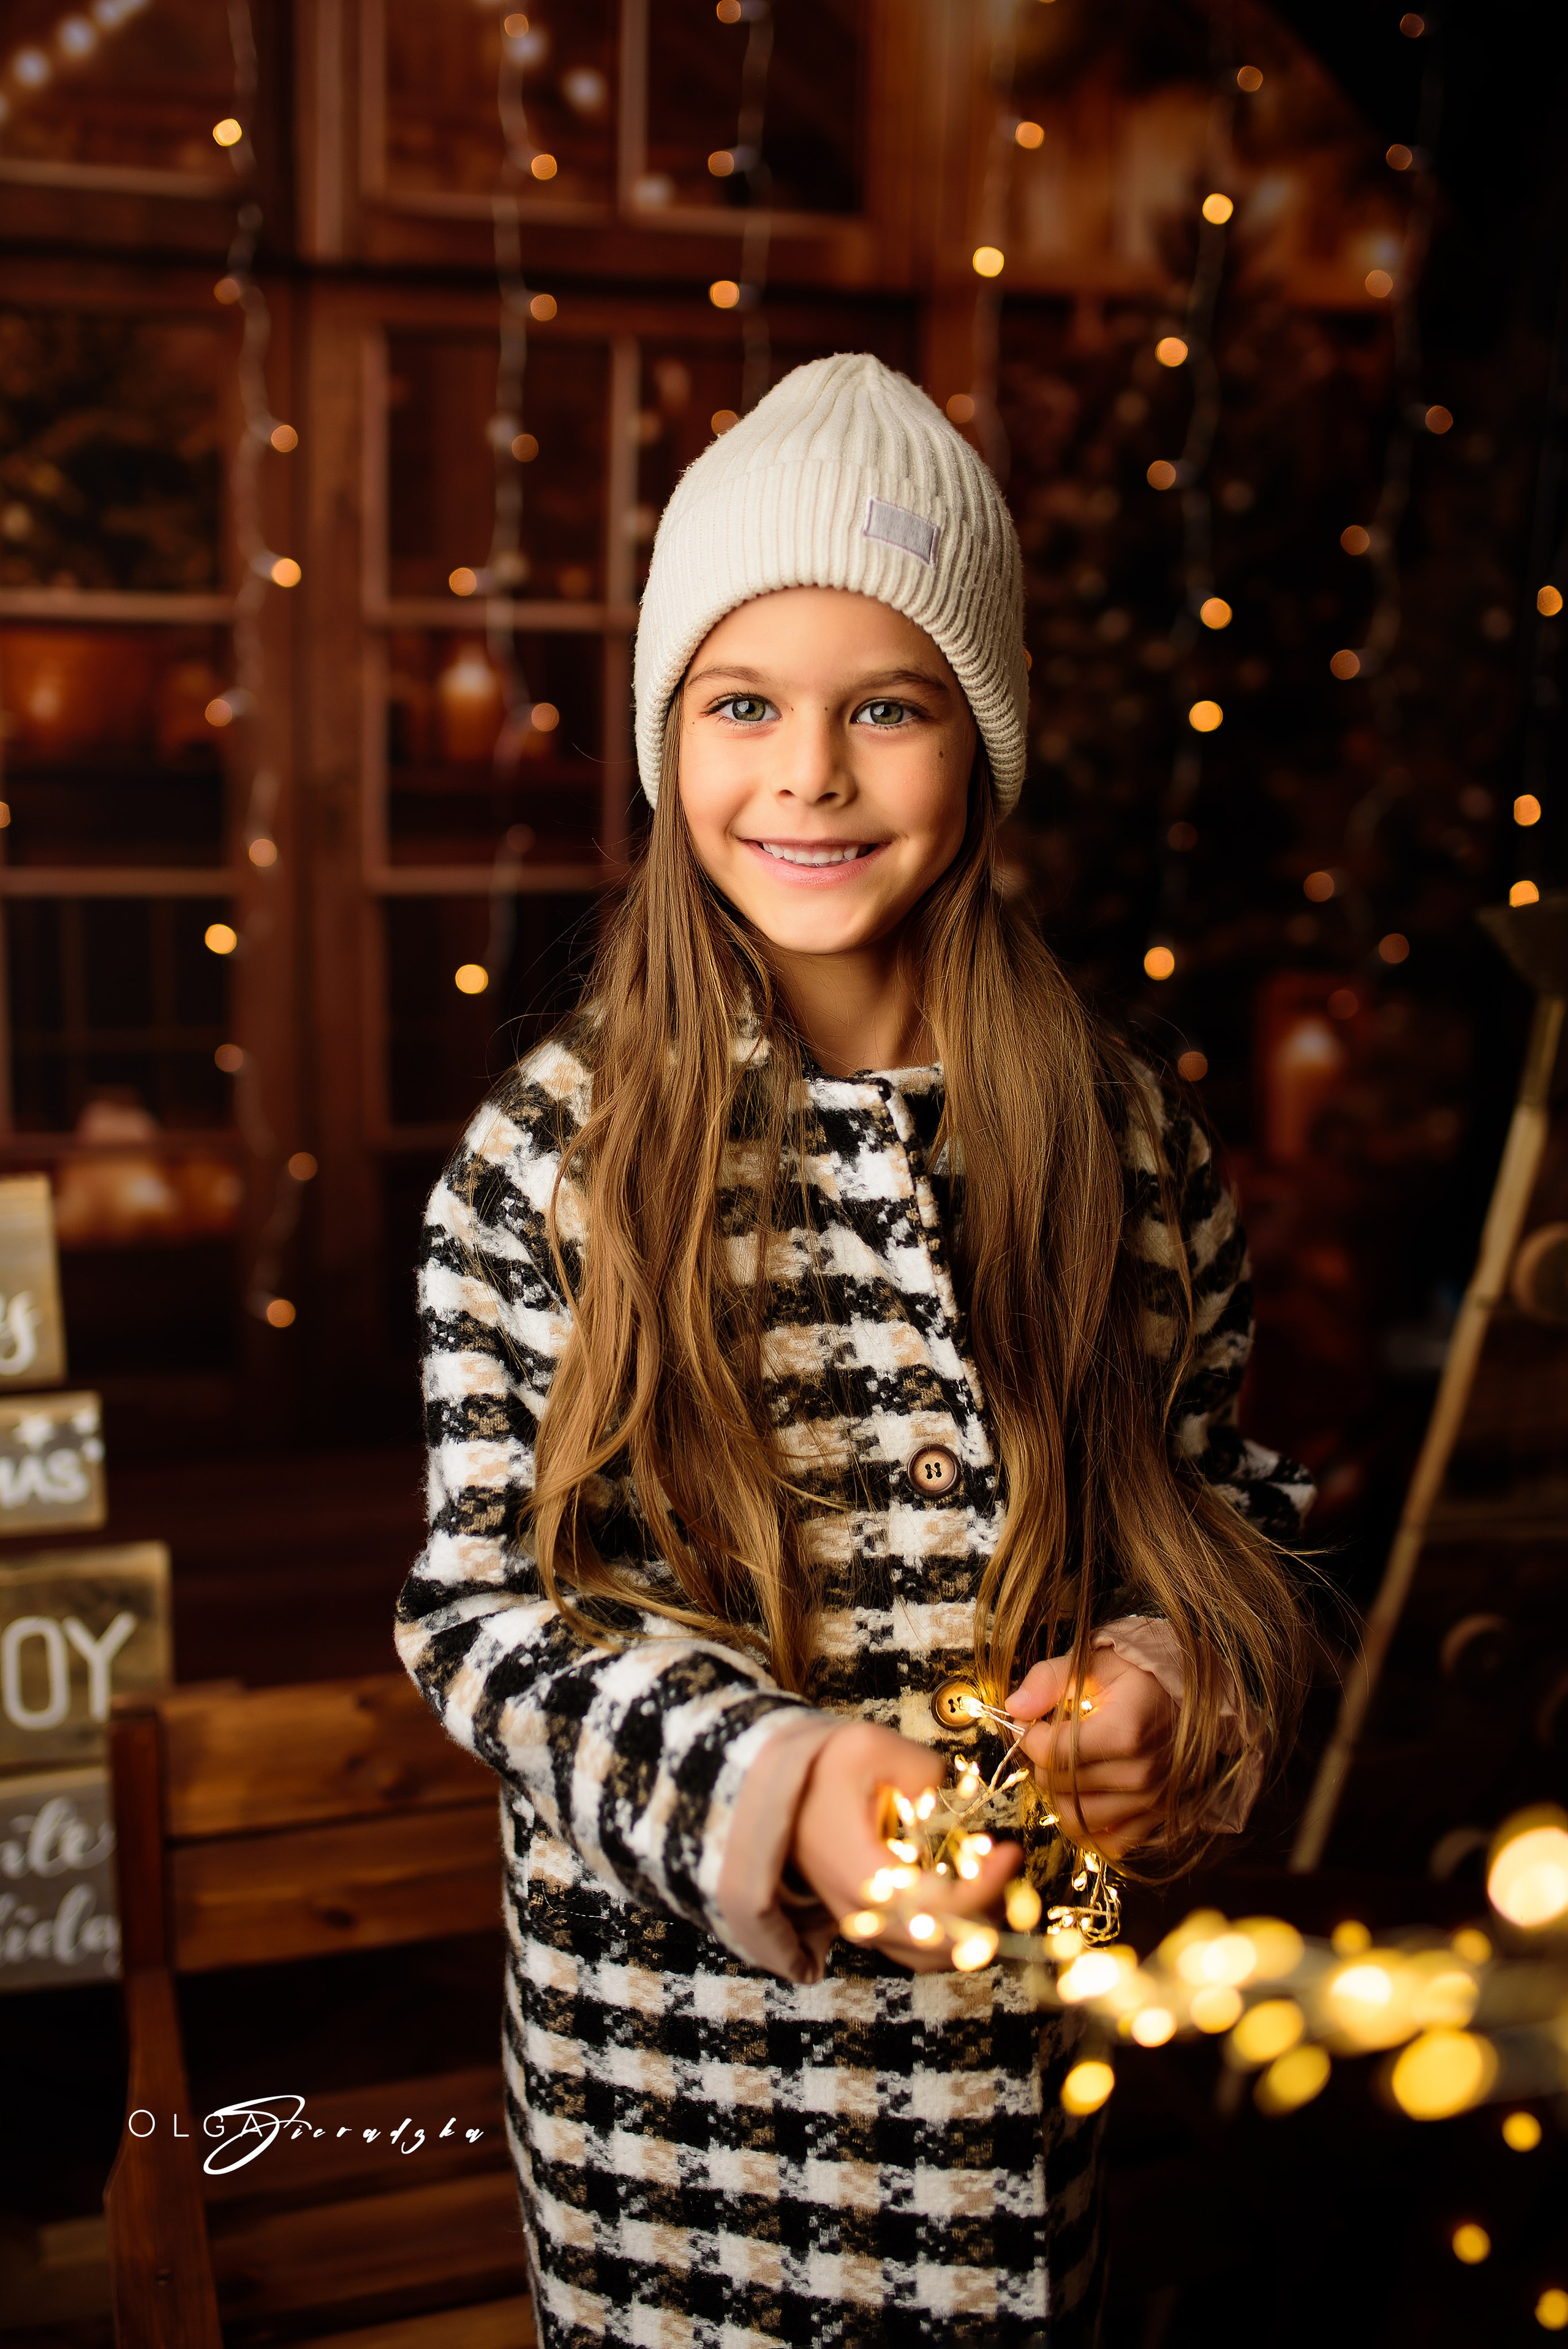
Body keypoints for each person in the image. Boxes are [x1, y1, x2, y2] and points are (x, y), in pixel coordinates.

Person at [396, 353, 1313, 2349]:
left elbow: (1230, 1499)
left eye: (884, 707)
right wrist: (771, 1777)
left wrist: (1178, 1672)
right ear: (669, 739)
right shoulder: (549, 1156)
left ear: (975, 745)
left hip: (1014, 2117)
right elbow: (483, 1616)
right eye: (744, 704)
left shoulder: (1117, 1130)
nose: (808, 773)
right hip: (681, 2136)